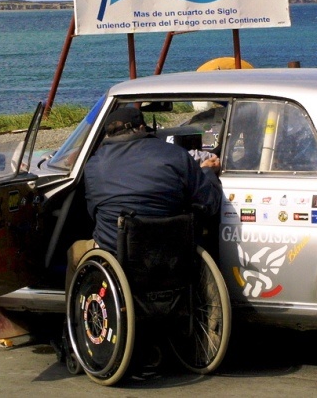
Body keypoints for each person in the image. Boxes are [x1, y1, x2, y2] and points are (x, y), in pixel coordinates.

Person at [66, 106, 223, 286]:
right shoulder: (175, 155)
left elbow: (93, 213)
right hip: (172, 249)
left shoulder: (94, 166)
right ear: (142, 128)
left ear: (108, 134)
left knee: (75, 252)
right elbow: (210, 203)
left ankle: (74, 313)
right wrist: (207, 173)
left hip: (116, 251)